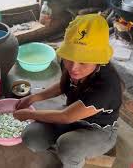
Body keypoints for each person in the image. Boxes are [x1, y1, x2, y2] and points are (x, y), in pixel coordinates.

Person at [13, 14, 123, 168]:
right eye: (70, 58)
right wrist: (33, 98)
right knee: (31, 136)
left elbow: (66, 116)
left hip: (99, 129)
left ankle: (71, 159)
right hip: (71, 114)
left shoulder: (107, 85)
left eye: (83, 61)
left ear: (98, 59)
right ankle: (64, 147)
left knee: (68, 146)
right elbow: (63, 85)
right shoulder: (69, 62)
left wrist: (28, 114)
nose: (73, 67)